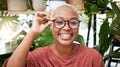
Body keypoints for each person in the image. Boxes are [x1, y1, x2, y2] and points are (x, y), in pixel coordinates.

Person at [3, 4, 104, 67]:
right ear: (51, 26)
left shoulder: (93, 57)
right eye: (59, 22)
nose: (66, 27)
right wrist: (33, 32)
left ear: (78, 26)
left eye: (73, 22)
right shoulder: (38, 57)